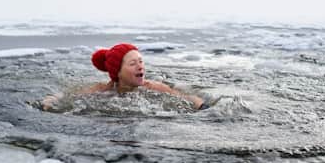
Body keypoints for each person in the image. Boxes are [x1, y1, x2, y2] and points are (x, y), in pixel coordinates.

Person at [41, 43, 206, 111]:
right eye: (133, 63)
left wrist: (200, 105)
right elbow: (69, 94)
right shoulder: (102, 89)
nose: (140, 66)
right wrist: (52, 99)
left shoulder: (153, 87)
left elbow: (184, 97)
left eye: (141, 61)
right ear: (117, 72)